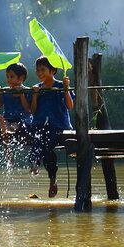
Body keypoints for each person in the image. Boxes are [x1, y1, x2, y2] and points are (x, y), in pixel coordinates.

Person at [29, 56, 74, 198]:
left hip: (58, 126)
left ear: (53, 71)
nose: (40, 73)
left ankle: (36, 162)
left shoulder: (61, 86)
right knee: (39, 139)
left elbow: (70, 106)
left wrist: (66, 90)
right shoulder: (37, 88)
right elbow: (32, 111)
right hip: (39, 125)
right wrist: (35, 95)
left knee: (45, 144)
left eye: (43, 70)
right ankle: (41, 168)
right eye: (37, 71)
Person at [0, 63, 32, 169]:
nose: (9, 79)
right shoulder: (6, 91)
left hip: (22, 120)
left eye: (12, 76)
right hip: (7, 119)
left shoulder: (27, 91)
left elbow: (27, 109)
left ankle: (9, 129)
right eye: (7, 77)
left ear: (21, 78)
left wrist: (22, 95)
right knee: (5, 126)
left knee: (14, 125)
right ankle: (8, 154)